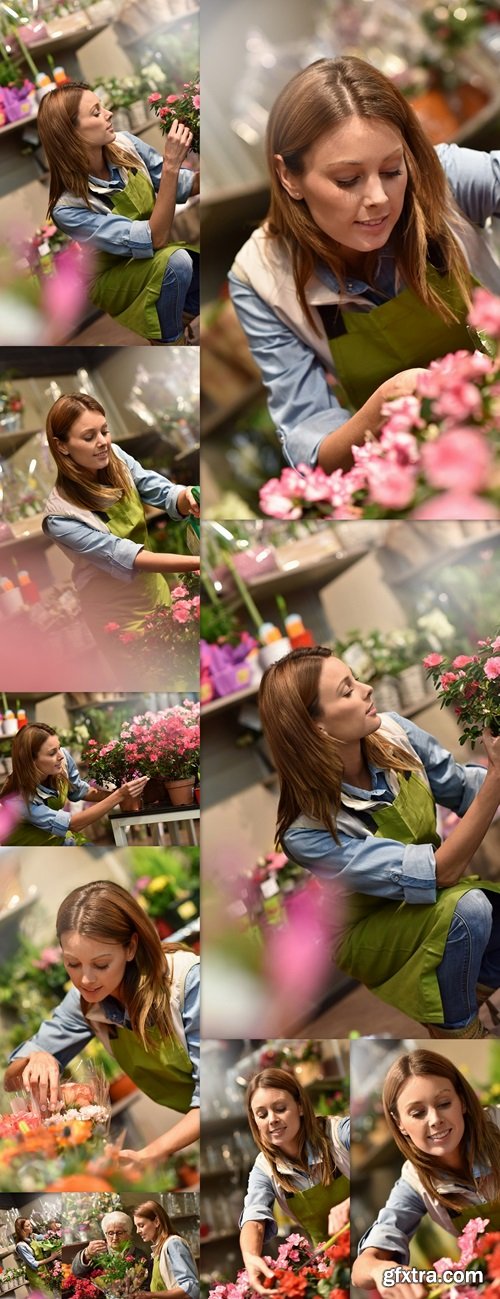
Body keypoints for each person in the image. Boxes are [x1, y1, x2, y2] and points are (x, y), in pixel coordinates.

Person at [228, 56, 500, 472]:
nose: (378, 198)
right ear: (289, 177)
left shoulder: (440, 178)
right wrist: (383, 407)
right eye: (348, 180)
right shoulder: (260, 277)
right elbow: (310, 441)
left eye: (392, 169)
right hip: (421, 473)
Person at [258, 646, 500, 1038]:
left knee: (492, 911)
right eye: (347, 690)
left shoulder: (395, 732)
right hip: (371, 931)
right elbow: (441, 872)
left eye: (356, 679)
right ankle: (457, 1031)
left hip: (435, 902)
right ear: (316, 728)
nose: (368, 689)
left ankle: (458, 997)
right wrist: (497, 777)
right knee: (470, 910)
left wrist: (492, 778)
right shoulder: (306, 831)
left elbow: (463, 789)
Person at [4, 880, 200, 1166]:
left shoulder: (187, 982)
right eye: (72, 964)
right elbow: (11, 1080)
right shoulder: (85, 1001)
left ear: (131, 947)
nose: (85, 979)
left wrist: (150, 1153)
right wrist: (36, 1057)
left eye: (101, 964)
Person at [41, 392, 200, 679]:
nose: (102, 442)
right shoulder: (59, 516)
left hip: (155, 592)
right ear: (61, 445)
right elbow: (127, 555)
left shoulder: (115, 458)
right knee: (156, 679)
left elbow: (158, 490)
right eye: (89, 437)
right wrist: (197, 563)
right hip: (118, 617)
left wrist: (187, 495)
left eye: (104, 431)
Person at [37, 82, 199, 343]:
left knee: (199, 265)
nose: (109, 114)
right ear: (72, 133)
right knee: (177, 262)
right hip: (113, 276)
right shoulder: (67, 208)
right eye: (96, 112)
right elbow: (154, 238)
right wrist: (171, 164)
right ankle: (169, 341)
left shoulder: (125, 144)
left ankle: (175, 324)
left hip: (153, 256)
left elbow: (181, 185)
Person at [352, 1048, 500, 1299]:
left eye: (444, 1103)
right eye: (417, 1113)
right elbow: (361, 1270)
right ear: (399, 1123)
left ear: (462, 1101)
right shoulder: (415, 1182)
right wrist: (380, 1270)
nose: (434, 1120)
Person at [240, 1066, 350, 1294]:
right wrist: (250, 1257)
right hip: (335, 1269)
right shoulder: (264, 1169)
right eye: (262, 1114)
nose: (272, 1120)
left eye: (280, 1108)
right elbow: (254, 1217)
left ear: (300, 1106)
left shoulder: (339, 1134)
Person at [0, 722, 148, 846]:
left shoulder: (62, 760)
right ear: (31, 762)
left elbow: (80, 791)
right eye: (52, 753)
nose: (60, 756)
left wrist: (126, 793)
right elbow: (72, 824)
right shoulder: (16, 799)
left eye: (59, 747)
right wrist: (120, 795)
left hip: (59, 839)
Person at [134, 1199, 199, 1299]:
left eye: (141, 1225)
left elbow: (191, 1287)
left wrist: (150, 1295)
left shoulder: (173, 1243)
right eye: (136, 1226)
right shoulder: (158, 1251)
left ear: (156, 1222)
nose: (138, 1231)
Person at [72, 1211, 149, 1282]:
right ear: (105, 1235)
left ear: (129, 1234)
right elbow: (77, 1272)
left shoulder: (139, 1256)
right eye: (110, 1233)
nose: (115, 1238)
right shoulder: (98, 1253)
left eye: (119, 1233)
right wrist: (87, 1254)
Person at [14, 1219, 61, 1296]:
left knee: (52, 1294)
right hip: (35, 1275)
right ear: (21, 1230)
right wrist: (52, 1257)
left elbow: (46, 1237)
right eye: (27, 1225)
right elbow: (33, 1264)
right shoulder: (21, 1246)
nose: (31, 1226)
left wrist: (54, 1230)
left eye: (30, 1224)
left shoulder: (33, 1236)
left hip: (43, 1271)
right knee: (45, 1295)